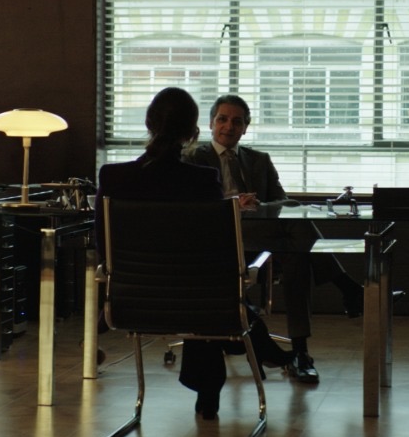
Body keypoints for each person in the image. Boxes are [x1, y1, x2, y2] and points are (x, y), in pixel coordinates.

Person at [96, 87, 293, 420]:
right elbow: (218, 250)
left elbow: (104, 245)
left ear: (148, 124)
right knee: (205, 290)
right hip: (200, 303)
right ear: (194, 132)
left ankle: (225, 373)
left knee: (197, 287)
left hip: (129, 302)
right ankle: (216, 384)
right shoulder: (202, 180)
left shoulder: (112, 177)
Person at [183, 93, 364, 385]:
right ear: (211, 123)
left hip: (261, 243)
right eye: (222, 119)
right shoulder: (193, 158)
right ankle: (345, 291)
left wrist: (259, 206)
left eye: (237, 121)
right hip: (220, 243)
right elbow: (191, 209)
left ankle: (301, 351)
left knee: (295, 248)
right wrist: (233, 203)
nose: (229, 126)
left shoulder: (259, 160)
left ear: (246, 127)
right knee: (296, 246)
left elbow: (282, 205)